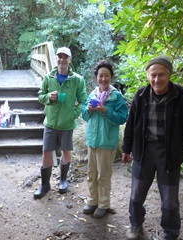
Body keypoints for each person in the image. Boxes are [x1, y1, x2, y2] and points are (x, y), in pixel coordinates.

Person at [122, 56, 183, 240]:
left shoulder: (182, 96)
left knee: (170, 202)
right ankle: (136, 225)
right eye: (153, 75)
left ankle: (170, 233)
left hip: (169, 155)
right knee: (136, 196)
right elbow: (131, 123)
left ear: (169, 75)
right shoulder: (141, 95)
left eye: (161, 75)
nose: (157, 79)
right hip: (144, 152)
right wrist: (126, 148)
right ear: (148, 76)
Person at [34, 47, 87, 199]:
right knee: (46, 152)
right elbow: (40, 96)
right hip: (50, 122)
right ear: (56, 59)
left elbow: (83, 101)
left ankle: (63, 180)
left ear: (70, 60)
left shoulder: (77, 80)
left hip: (67, 123)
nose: (62, 60)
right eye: (60, 57)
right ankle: (45, 184)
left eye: (65, 57)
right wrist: (48, 97)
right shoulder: (48, 78)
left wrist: (74, 114)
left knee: (66, 151)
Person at [81, 59, 128, 218]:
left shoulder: (116, 97)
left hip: (106, 142)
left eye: (107, 75)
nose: (103, 79)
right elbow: (85, 116)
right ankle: (92, 201)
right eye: (101, 75)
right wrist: (87, 109)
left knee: (103, 175)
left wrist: (104, 110)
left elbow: (122, 117)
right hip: (92, 141)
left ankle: (104, 204)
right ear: (96, 77)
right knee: (91, 173)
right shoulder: (92, 94)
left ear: (111, 77)